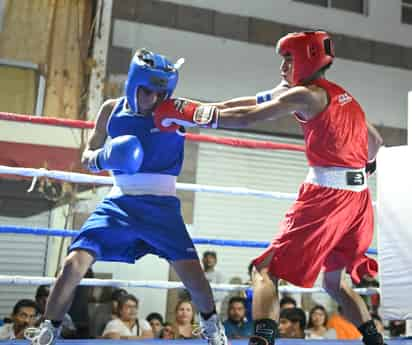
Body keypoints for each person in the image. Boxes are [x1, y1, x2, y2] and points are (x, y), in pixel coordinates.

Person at [153, 30, 385, 345]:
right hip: (359, 203)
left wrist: (189, 113)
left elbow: (247, 116)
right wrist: (196, 107)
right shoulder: (346, 98)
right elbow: (376, 143)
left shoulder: (306, 95)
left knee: (264, 270)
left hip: (327, 199)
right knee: (334, 283)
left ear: (307, 58)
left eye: (289, 58)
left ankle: (262, 340)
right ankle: (375, 339)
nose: (282, 66)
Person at [25, 48, 227, 345]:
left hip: (161, 205)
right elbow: (87, 155)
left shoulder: (173, 110)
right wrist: (103, 157)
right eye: (147, 91)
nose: (153, 99)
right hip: (118, 201)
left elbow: (221, 114)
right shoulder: (110, 109)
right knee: (74, 263)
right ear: (133, 85)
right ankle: (48, 329)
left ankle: (212, 328)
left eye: (160, 93)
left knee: (193, 274)